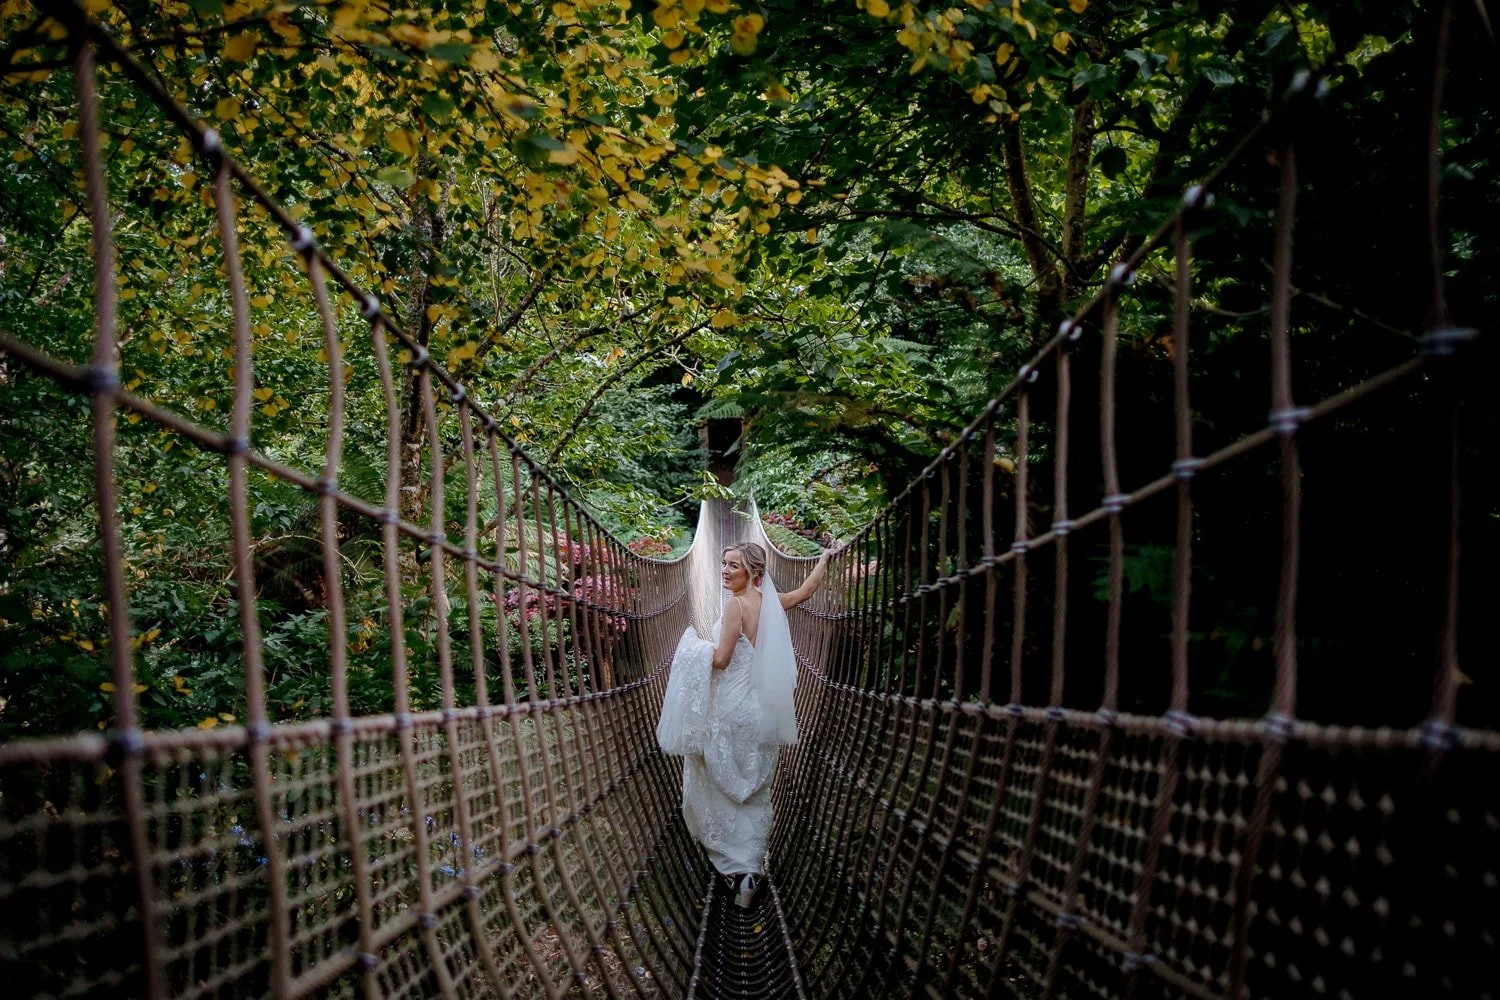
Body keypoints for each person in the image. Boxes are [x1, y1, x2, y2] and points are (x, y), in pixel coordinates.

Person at [656, 541, 830, 908]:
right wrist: (826, 560)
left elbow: (720, 660)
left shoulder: (735, 606)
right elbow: (803, 593)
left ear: (752, 571)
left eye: (732, 565)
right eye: (722, 563)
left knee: (715, 780)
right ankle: (751, 870)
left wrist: (689, 649)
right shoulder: (769, 604)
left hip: (729, 711)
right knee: (754, 787)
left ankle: (731, 865)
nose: (724, 570)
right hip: (759, 712)